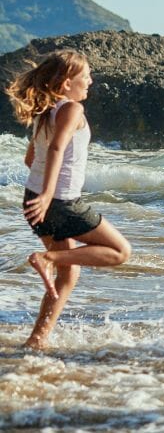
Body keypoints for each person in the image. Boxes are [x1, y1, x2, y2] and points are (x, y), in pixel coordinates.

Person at [5, 49, 132, 349]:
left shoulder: (45, 112)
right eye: (85, 75)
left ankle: (36, 340)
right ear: (65, 84)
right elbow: (55, 150)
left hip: (33, 199)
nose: (90, 79)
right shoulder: (72, 109)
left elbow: (30, 159)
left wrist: (42, 192)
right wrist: (50, 194)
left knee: (69, 273)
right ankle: (46, 259)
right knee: (119, 251)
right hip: (58, 202)